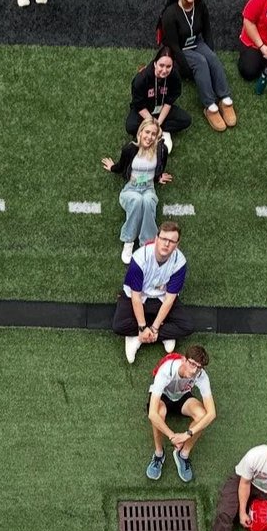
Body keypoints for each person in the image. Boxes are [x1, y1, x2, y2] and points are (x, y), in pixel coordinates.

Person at [157, 0, 238, 130]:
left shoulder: (200, 6)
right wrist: (187, 68)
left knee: (211, 58)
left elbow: (207, 31)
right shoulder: (170, 13)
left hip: (195, 42)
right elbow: (173, 45)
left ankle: (225, 99)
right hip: (179, 49)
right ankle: (210, 106)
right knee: (200, 62)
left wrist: (209, 52)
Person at [112, 221, 192, 364]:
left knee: (187, 326)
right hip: (137, 297)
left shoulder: (180, 262)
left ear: (177, 244)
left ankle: (147, 335)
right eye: (163, 239)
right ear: (156, 239)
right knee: (118, 326)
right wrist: (142, 327)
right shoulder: (139, 258)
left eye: (171, 241)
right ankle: (144, 334)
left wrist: (154, 328)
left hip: (161, 299)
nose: (166, 244)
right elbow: (136, 296)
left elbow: (169, 299)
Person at [102, 120, 173, 265]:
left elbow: (160, 167)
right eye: (147, 132)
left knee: (148, 201)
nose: (149, 137)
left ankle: (147, 243)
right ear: (140, 132)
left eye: (153, 134)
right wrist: (112, 167)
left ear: (157, 136)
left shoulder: (161, 150)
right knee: (137, 200)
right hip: (131, 189)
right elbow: (121, 167)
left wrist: (159, 177)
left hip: (149, 188)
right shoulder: (130, 149)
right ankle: (128, 240)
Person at [145, 344, 215, 483]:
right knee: (159, 412)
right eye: (192, 364)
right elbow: (152, 414)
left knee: (203, 415)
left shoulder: (201, 375)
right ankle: (159, 454)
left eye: (199, 367)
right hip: (164, 397)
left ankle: (183, 454)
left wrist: (186, 435)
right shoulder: (166, 370)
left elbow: (211, 414)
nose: (194, 370)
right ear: (184, 360)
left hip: (182, 398)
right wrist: (172, 436)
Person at [125, 47, 192, 144]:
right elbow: (139, 105)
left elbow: (169, 102)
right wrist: (151, 122)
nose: (164, 70)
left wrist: (158, 123)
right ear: (155, 63)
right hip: (145, 110)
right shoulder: (141, 79)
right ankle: (153, 129)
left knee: (186, 120)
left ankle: (154, 130)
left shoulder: (174, 76)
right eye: (161, 65)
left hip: (162, 108)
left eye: (168, 66)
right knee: (131, 127)